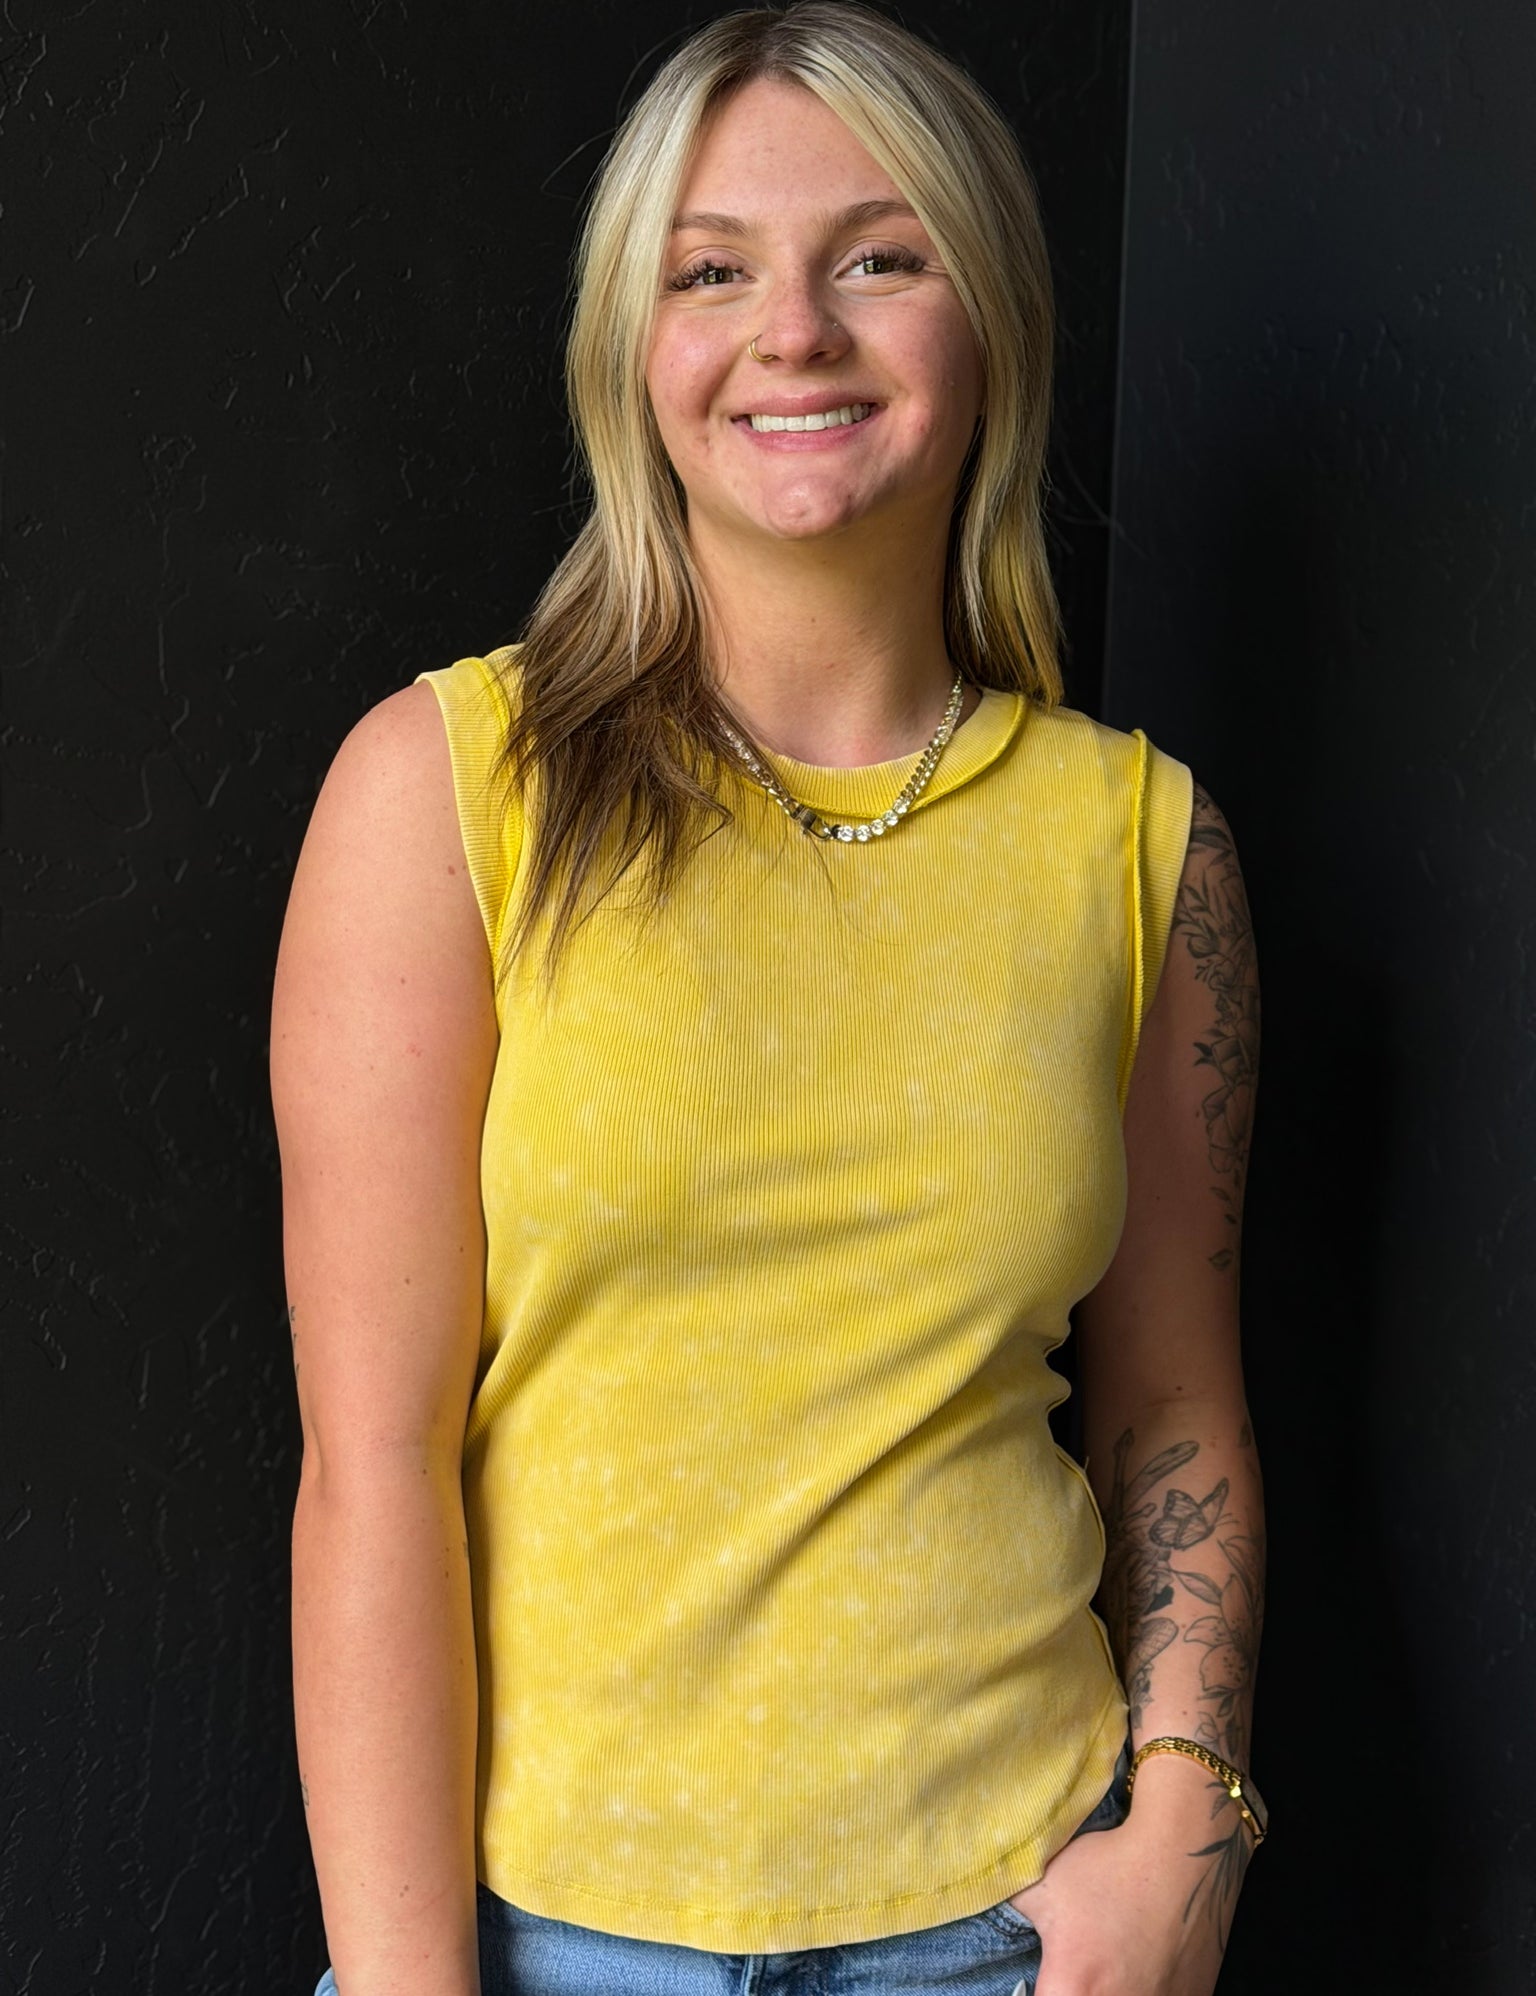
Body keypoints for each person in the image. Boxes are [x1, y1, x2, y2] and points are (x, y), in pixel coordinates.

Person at [269, 5, 1267, 1994]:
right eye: (710, 272)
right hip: (549, 1944)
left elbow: (1175, 1407)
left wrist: (1186, 1825)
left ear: (988, 324)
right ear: (632, 355)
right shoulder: (447, 791)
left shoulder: (1145, 847)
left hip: (1009, 1937)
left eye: (878, 257)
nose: (793, 331)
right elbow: (372, 1466)